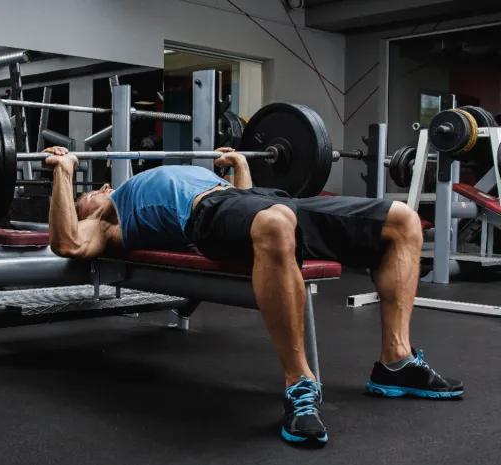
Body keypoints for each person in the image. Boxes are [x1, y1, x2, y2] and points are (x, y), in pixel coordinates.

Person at [43, 146, 463, 447]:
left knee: (402, 220)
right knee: (276, 225)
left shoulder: (125, 189)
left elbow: (244, 211)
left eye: (90, 189)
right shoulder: (107, 221)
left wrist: (240, 165)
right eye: (83, 197)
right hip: (204, 216)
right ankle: (300, 384)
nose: (92, 191)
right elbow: (68, 244)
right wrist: (63, 172)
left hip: (254, 200)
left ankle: (396, 361)